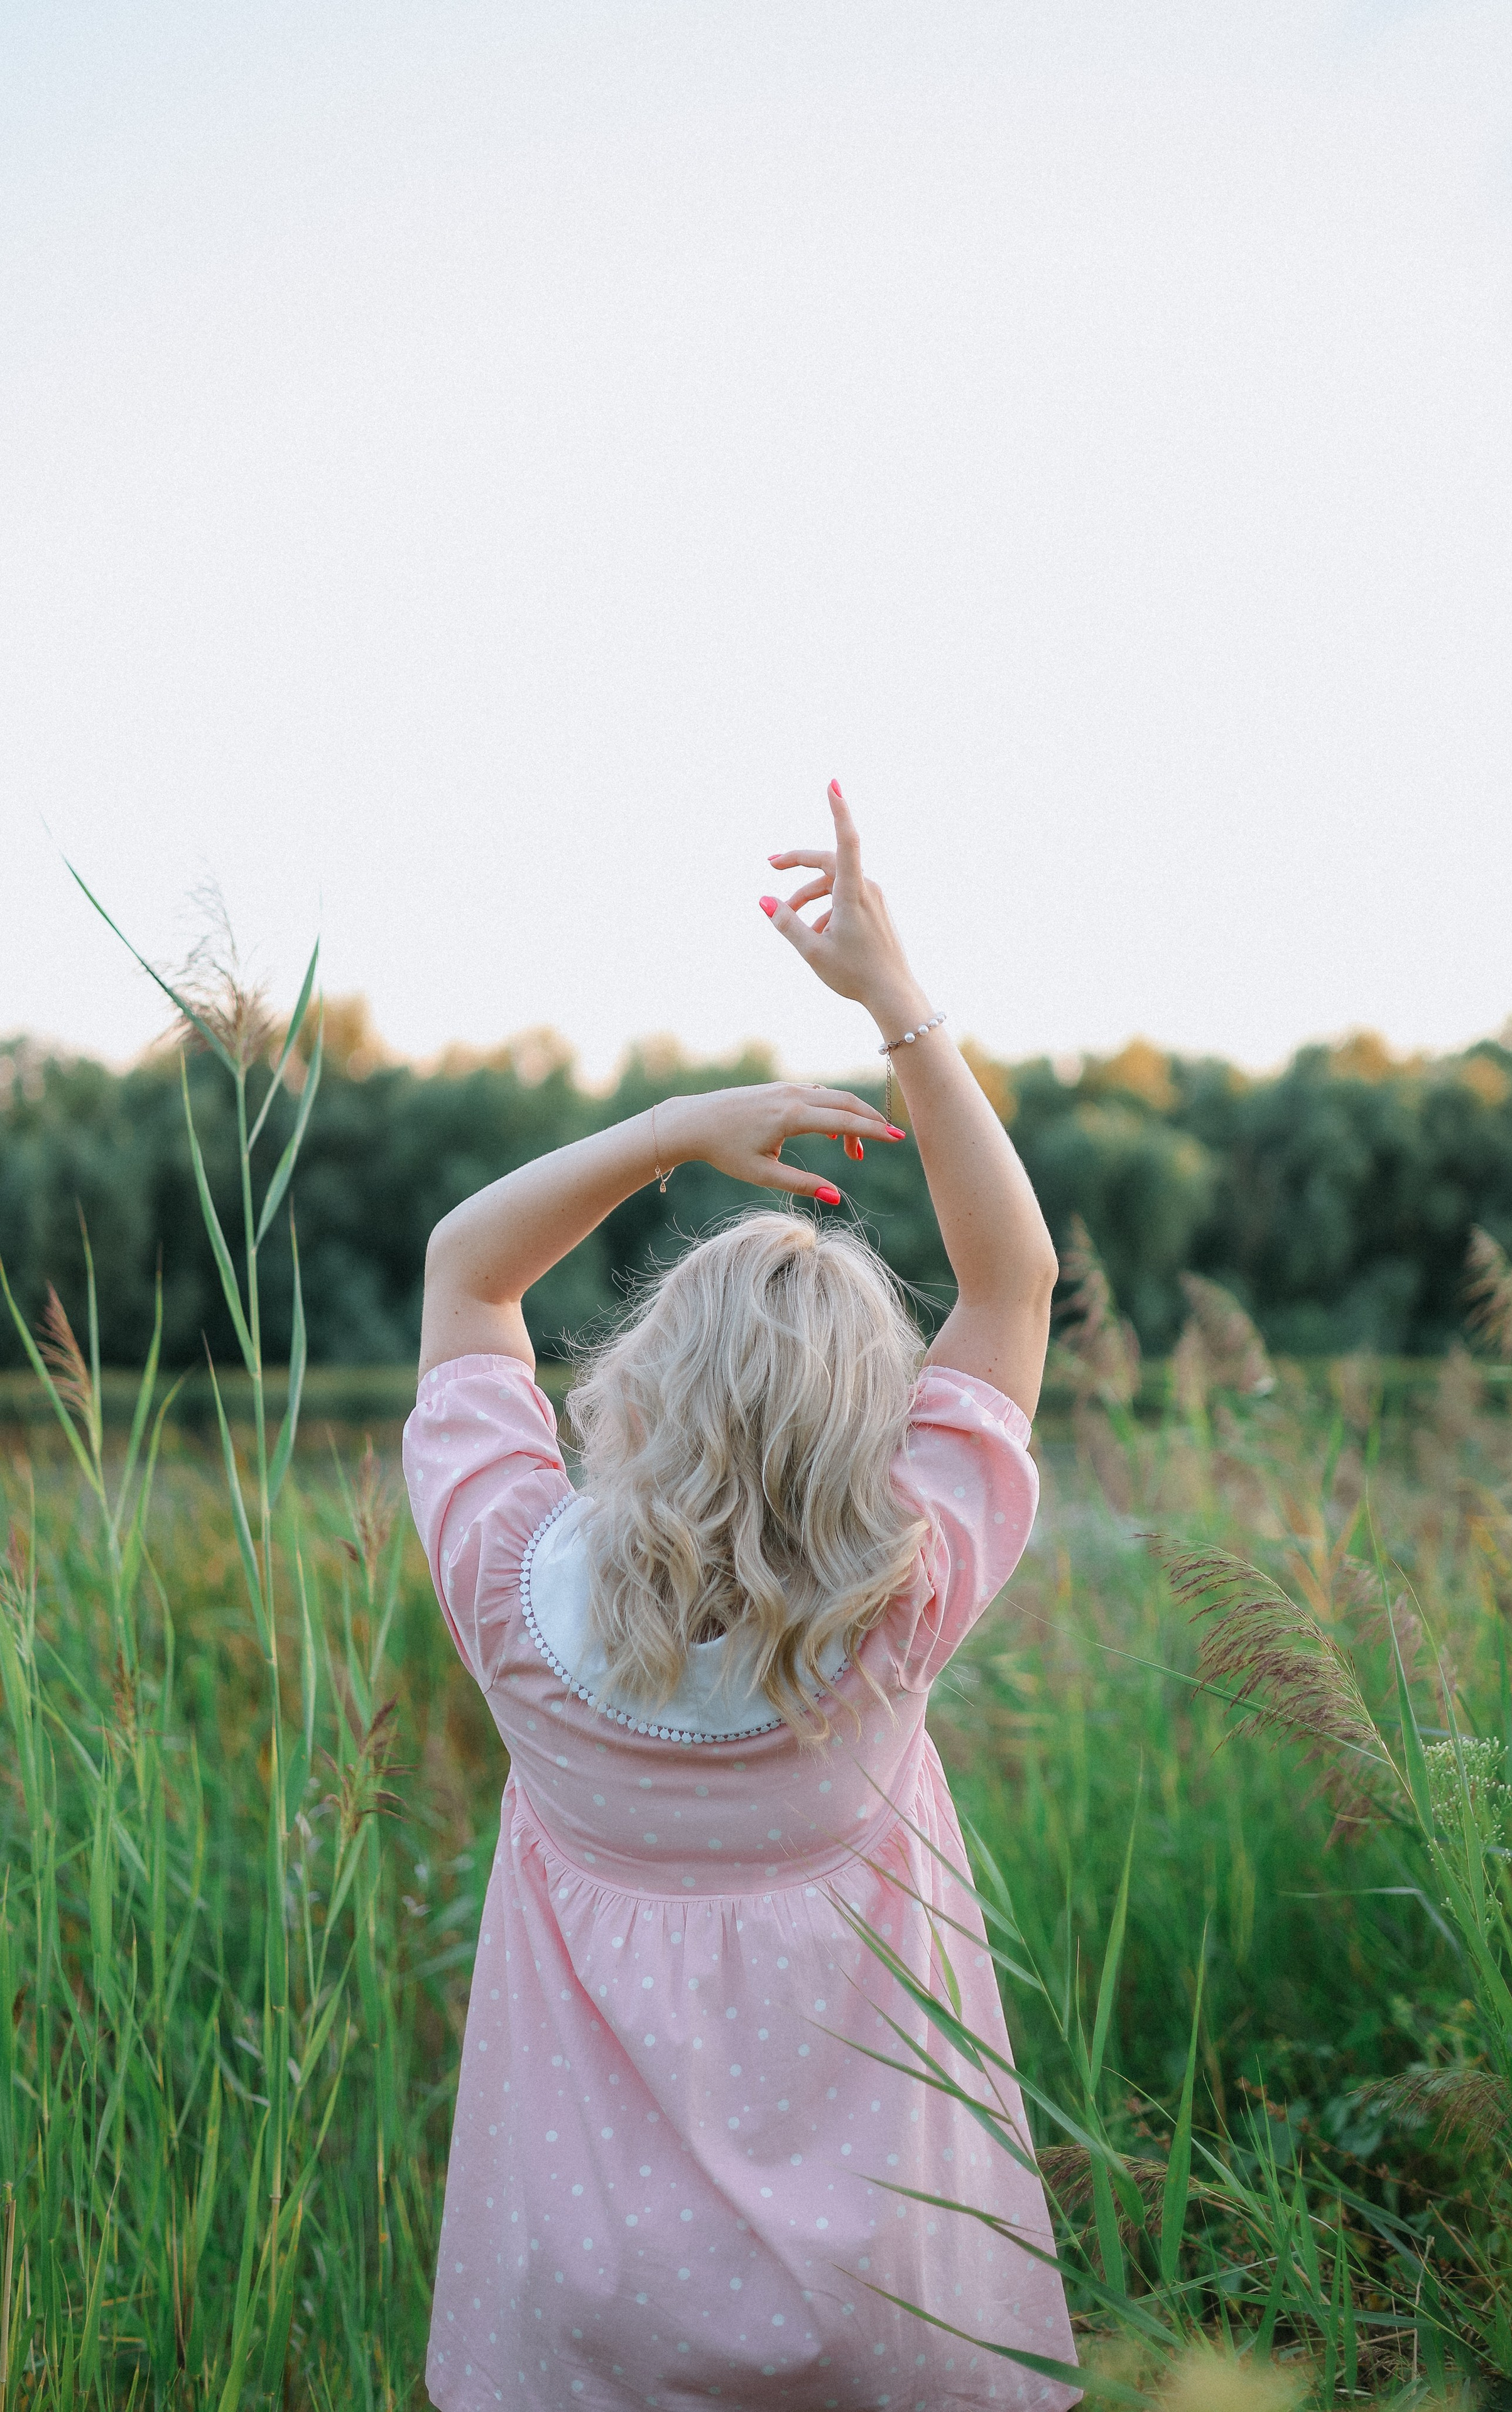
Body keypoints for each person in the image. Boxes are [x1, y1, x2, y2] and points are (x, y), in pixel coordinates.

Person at [403, 784, 1078, 2411]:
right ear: (872, 1437)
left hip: (588, 2303)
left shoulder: (511, 1595)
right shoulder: (903, 1600)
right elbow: (1014, 1282)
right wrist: (894, 998)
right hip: (887, 2298)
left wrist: (669, 1130)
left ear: (633, 1386)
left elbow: (467, 1271)